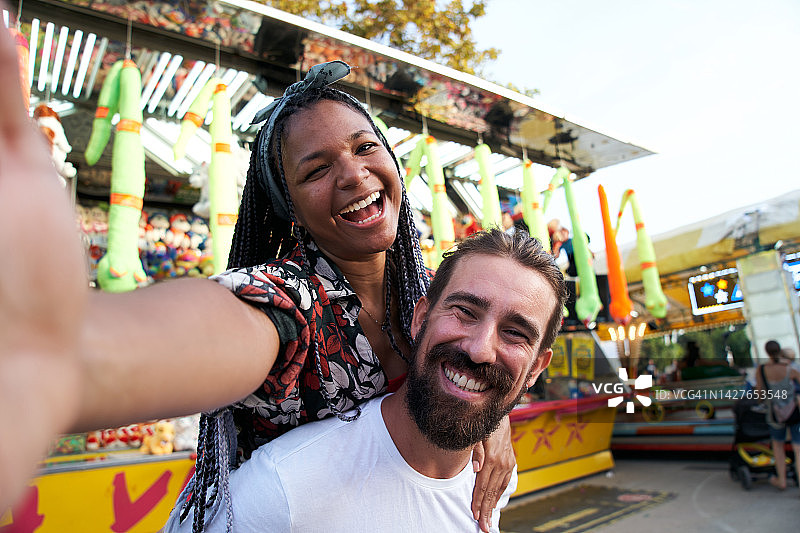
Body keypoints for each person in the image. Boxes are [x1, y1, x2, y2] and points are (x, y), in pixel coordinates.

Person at [0, 26, 512, 532]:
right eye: (316, 170)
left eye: (364, 148)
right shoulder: (289, 300)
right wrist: (51, 359)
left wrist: (493, 417)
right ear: (290, 209)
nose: (354, 176)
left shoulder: (429, 293)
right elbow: (200, 332)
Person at [165, 229, 567, 532]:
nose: (481, 349)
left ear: (536, 367)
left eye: (516, 333)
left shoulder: (494, 476)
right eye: (464, 311)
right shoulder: (284, 485)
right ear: (420, 317)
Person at [755, 340, 800, 491]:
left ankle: (782, 480)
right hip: (794, 412)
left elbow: (760, 395)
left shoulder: (761, 370)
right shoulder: (790, 368)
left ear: (766, 352)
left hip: (775, 414)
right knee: (798, 449)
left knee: (778, 446)